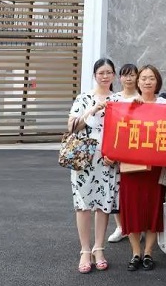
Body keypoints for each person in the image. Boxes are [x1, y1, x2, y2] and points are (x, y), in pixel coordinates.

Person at [69, 58, 120, 274]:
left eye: (109, 72)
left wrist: (115, 155)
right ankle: (85, 250)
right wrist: (92, 110)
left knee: (103, 203)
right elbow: (72, 126)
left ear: (114, 75)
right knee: (83, 205)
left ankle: (99, 248)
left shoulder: (118, 99)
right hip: (84, 159)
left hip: (108, 160)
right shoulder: (84, 98)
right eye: (101, 73)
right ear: (94, 75)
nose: (105, 76)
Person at [118, 64, 166, 272]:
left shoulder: (165, 104)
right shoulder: (127, 104)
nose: (147, 82)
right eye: (144, 78)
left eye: (151, 78)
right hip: (131, 166)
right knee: (131, 208)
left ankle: (148, 252)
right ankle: (135, 252)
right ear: (137, 82)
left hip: (155, 167)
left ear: (157, 82)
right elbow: (118, 132)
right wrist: (132, 109)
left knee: (152, 208)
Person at [107, 63, 139, 244]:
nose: (128, 78)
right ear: (120, 78)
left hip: (135, 150)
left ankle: (136, 226)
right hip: (117, 149)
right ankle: (120, 227)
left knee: (133, 191)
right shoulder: (114, 99)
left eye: (132, 75)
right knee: (116, 189)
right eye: (125, 75)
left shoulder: (141, 98)